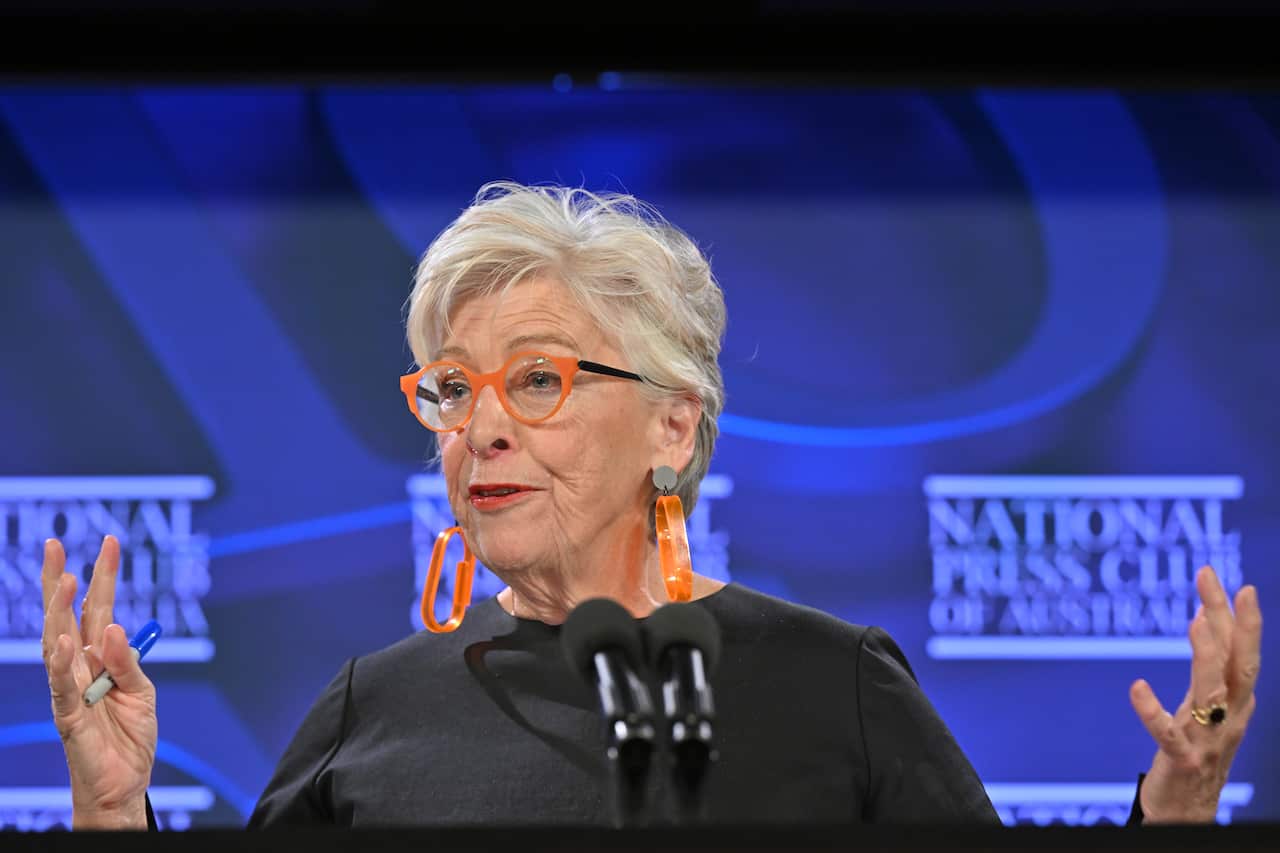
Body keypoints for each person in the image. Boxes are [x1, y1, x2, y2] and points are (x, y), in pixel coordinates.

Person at [40, 182, 1262, 829]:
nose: (481, 427)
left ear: (671, 425)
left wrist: (1178, 804)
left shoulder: (835, 688)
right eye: (452, 390)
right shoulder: (369, 712)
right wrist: (110, 805)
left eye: (536, 380)